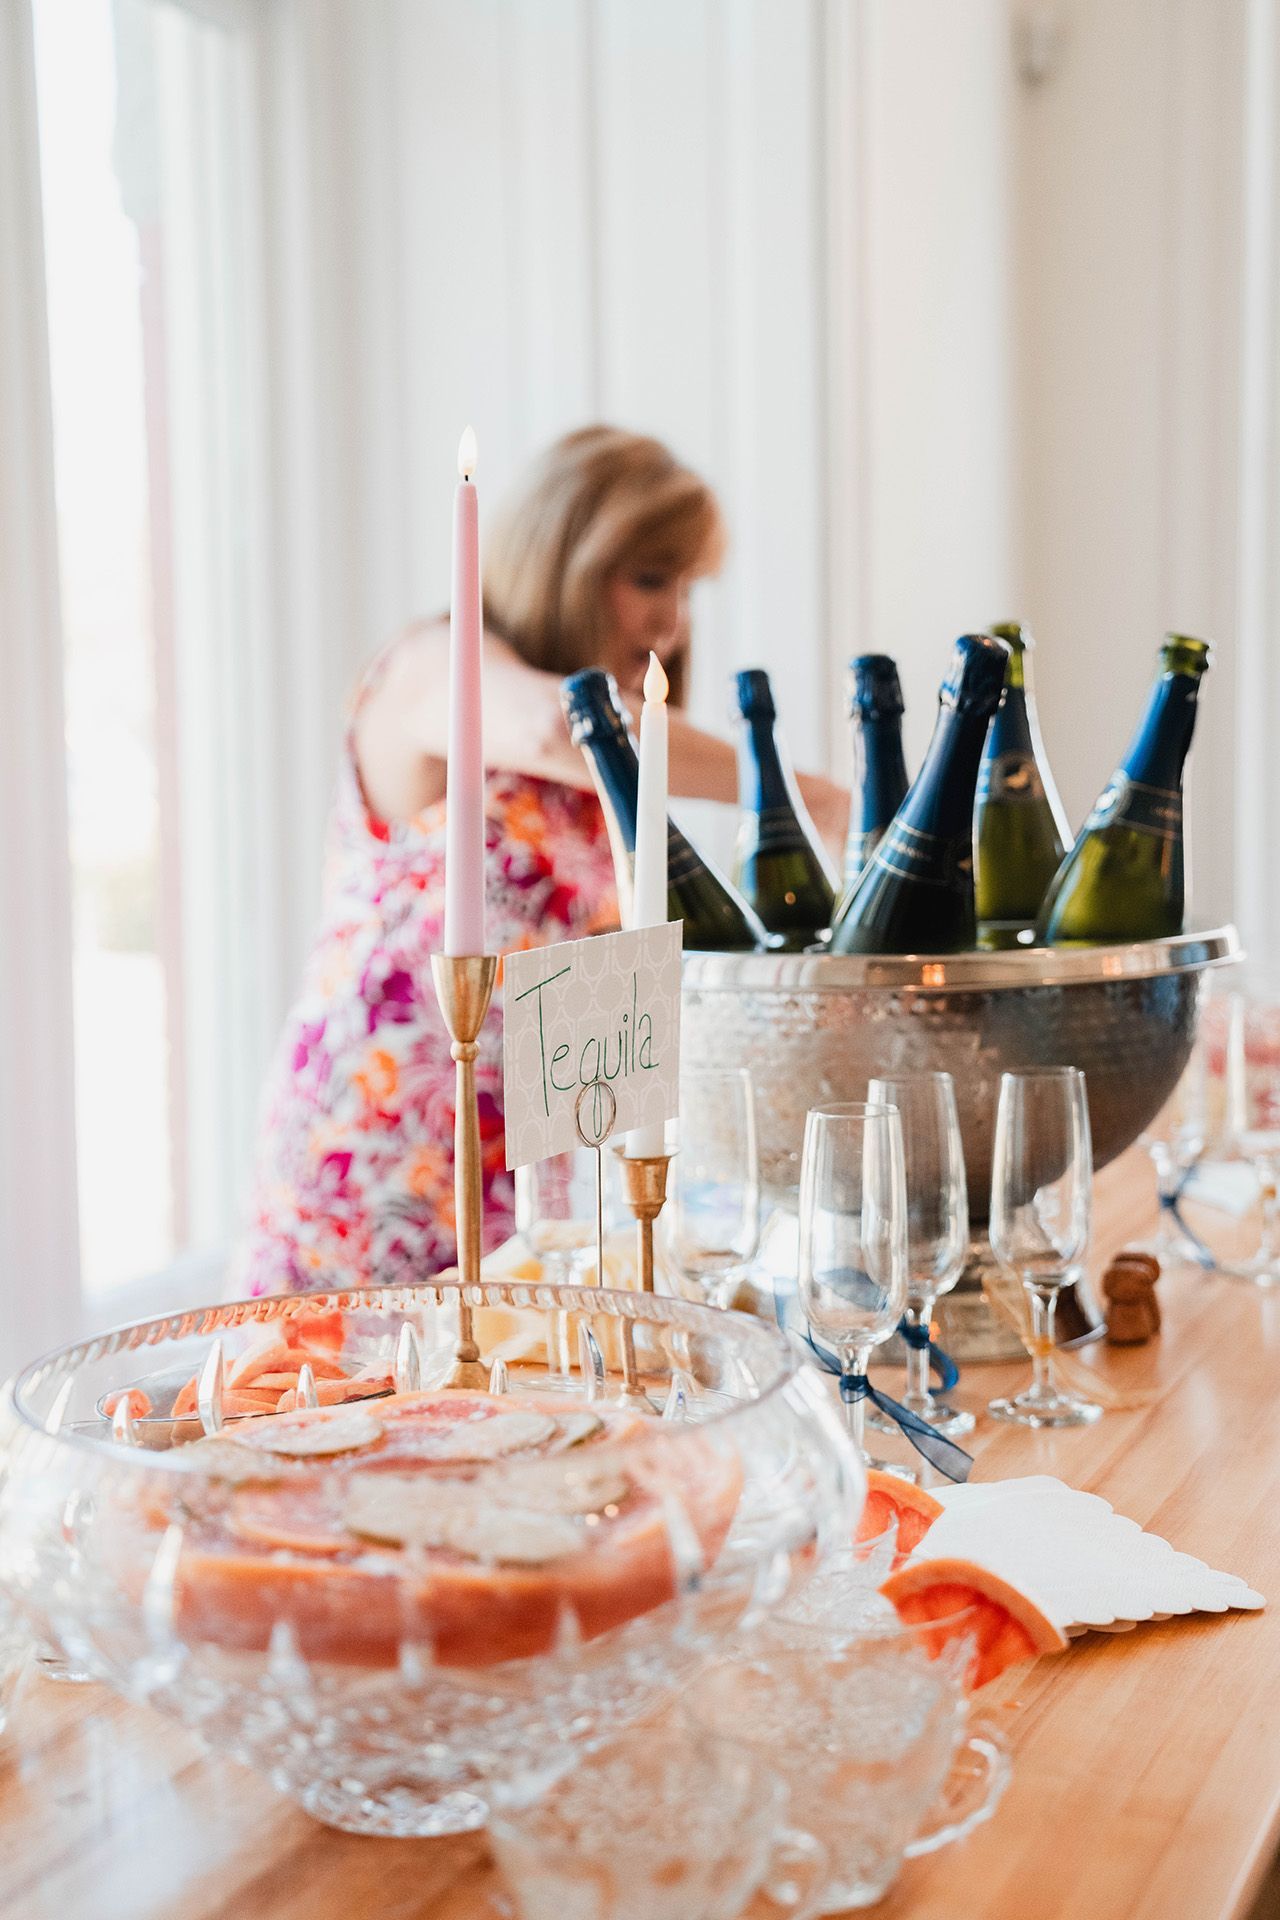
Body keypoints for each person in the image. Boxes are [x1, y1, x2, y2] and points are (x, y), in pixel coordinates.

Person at [233, 425, 848, 1296]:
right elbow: (560, 727)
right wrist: (801, 792)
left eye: (686, 588)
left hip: (537, 1196)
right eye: (647, 578)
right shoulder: (428, 671)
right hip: (382, 1170)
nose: (672, 622)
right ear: (565, 555)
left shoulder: (608, 782)